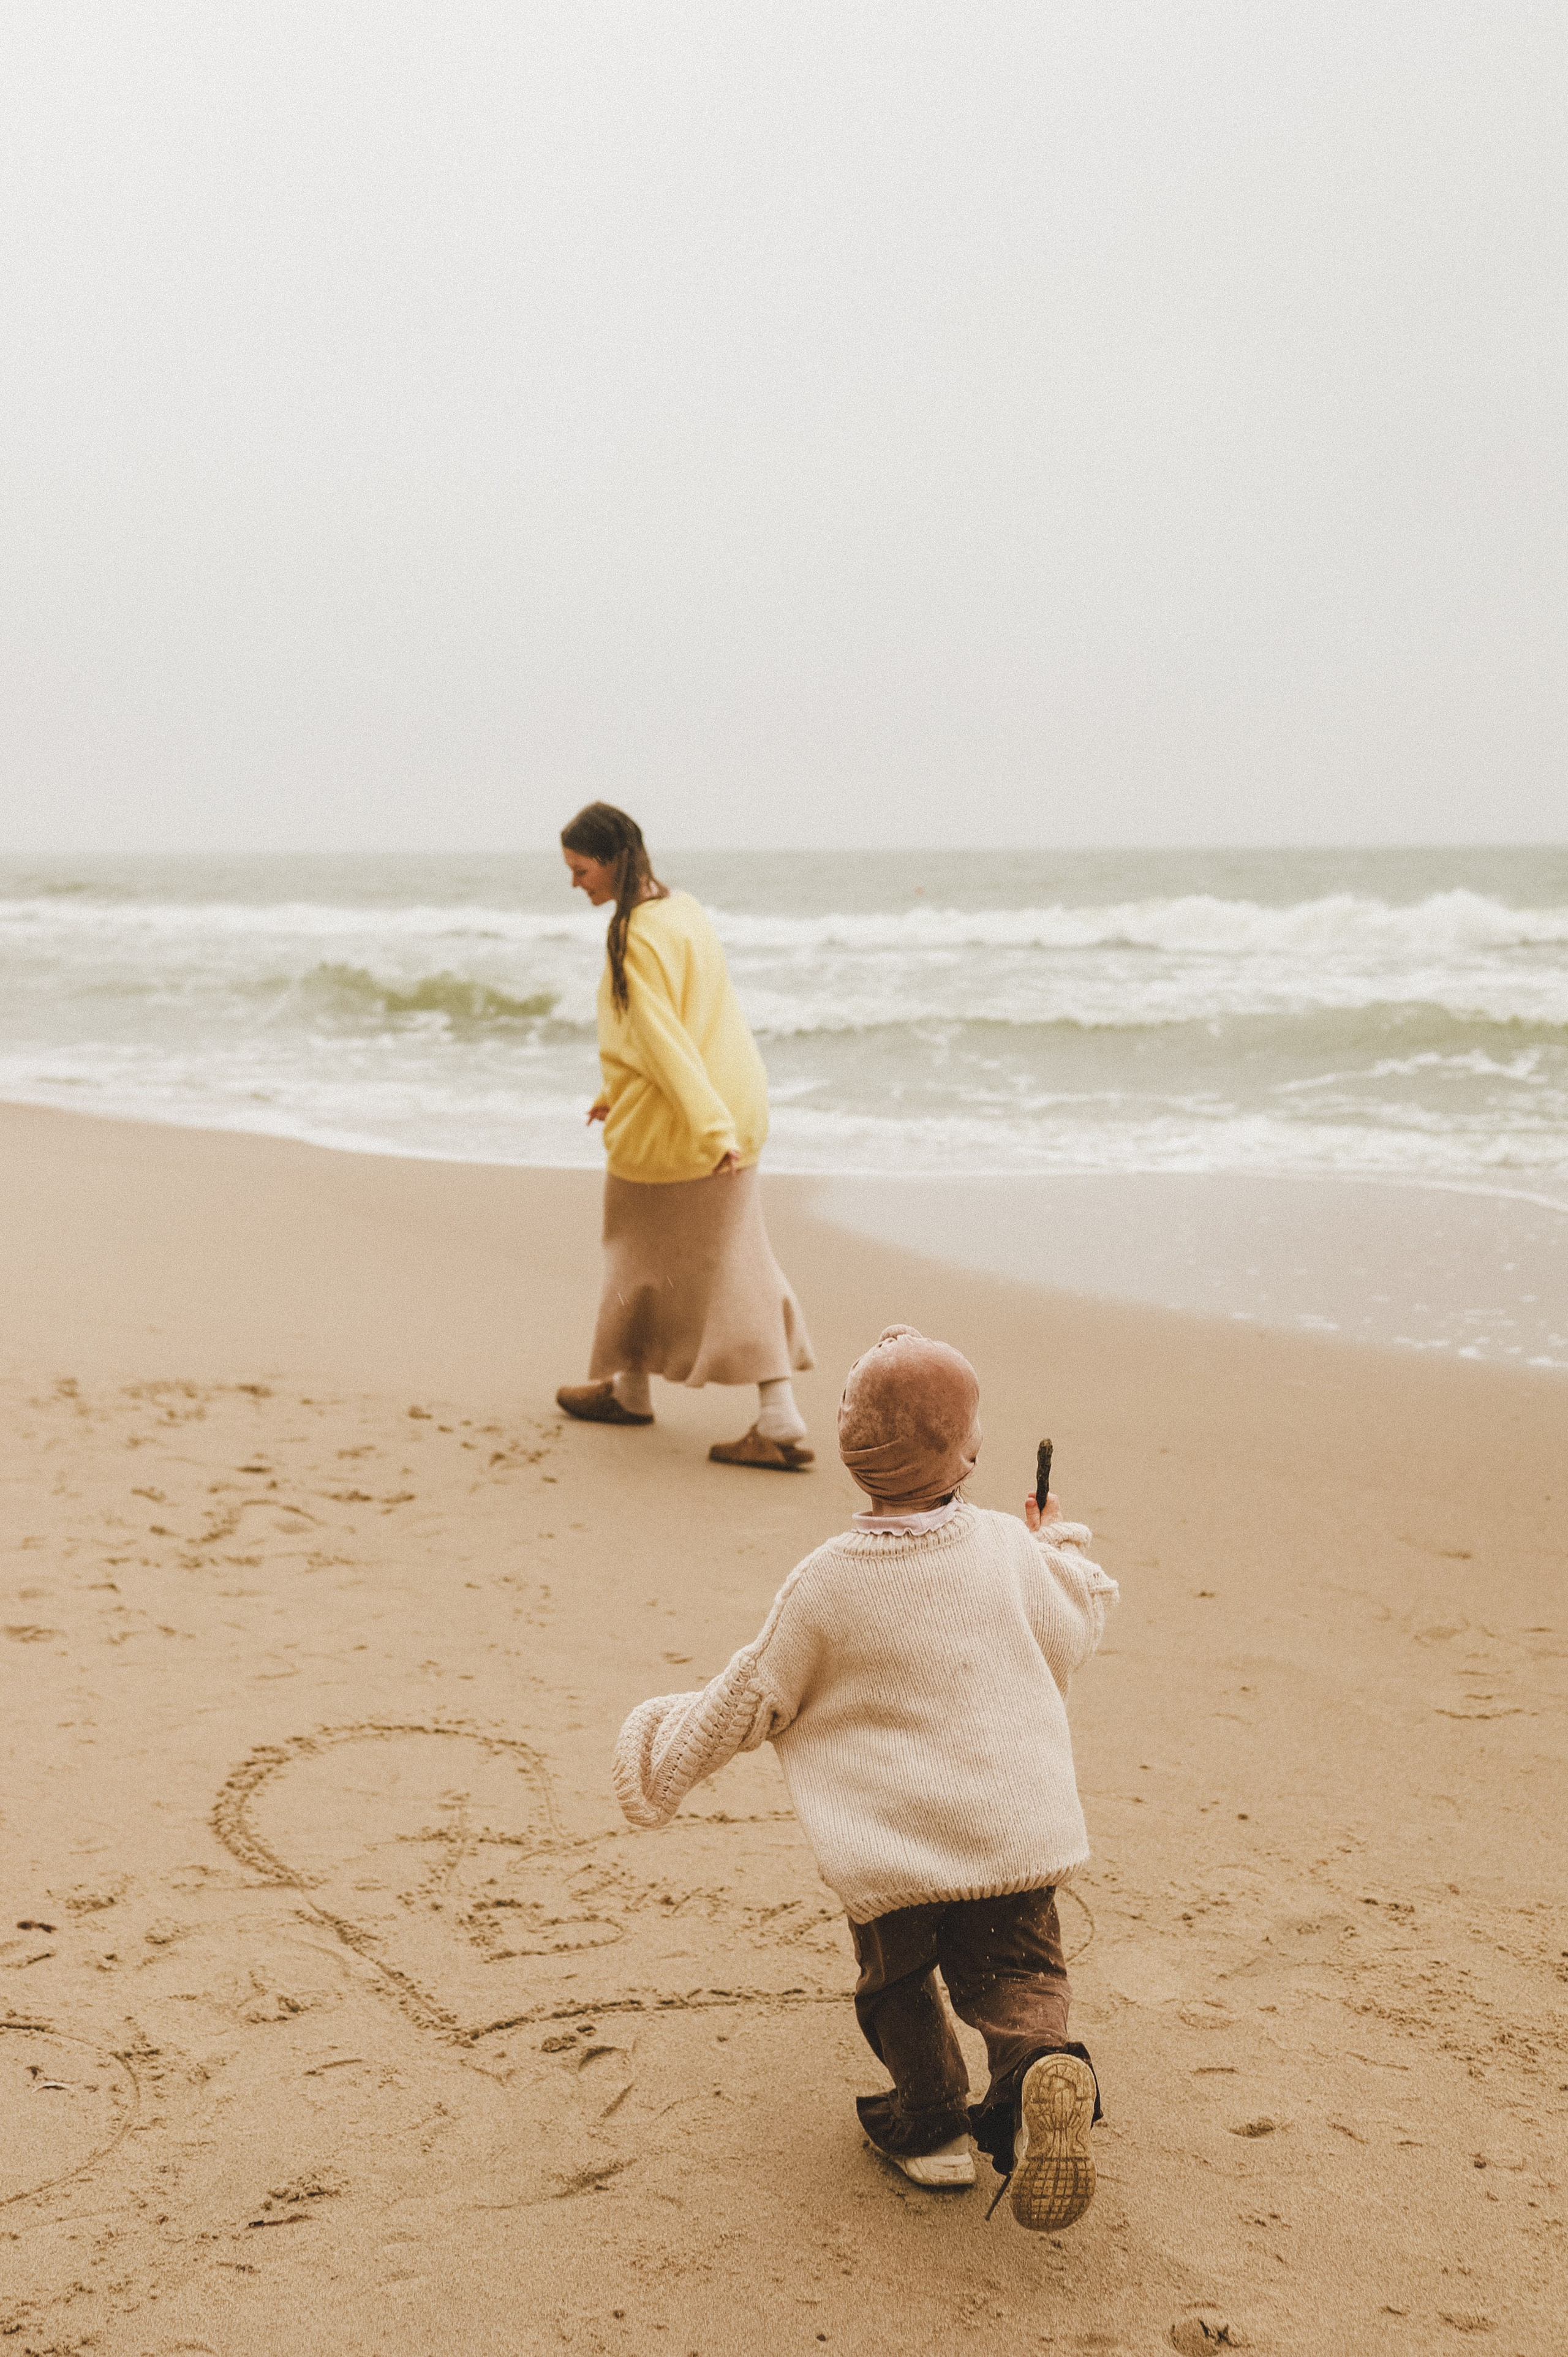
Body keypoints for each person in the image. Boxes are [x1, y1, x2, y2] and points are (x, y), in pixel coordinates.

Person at [612, 1323, 1117, 2228]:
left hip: (891, 1855)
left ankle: (930, 2130)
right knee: (1018, 1974)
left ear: (852, 1455)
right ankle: (1041, 2064)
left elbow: (750, 1694)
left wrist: (663, 1752)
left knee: (897, 1985)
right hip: (1013, 1830)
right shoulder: (1007, 1547)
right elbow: (1072, 1626)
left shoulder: (825, 1584)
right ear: (968, 1454)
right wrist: (1060, 1546)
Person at [554, 802, 815, 1466]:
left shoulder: (635, 933)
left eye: (581, 870)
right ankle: (633, 1390)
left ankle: (777, 1418)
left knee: (693, 1263)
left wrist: (708, 1128)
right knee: (661, 1259)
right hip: (730, 1102)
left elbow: (666, 1040)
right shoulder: (683, 910)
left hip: (688, 1127)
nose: (576, 883)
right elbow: (690, 1018)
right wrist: (616, 1094)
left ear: (611, 860)